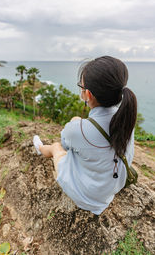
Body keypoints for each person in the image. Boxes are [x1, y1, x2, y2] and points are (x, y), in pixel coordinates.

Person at [33, 56, 137, 215]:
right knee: (78, 123)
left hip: (88, 197)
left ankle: (40, 148)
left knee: (56, 147)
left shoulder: (76, 130)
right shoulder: (125, 118)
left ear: (87, 94)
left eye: (81, 86)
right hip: (112, 188)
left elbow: (66, 145)